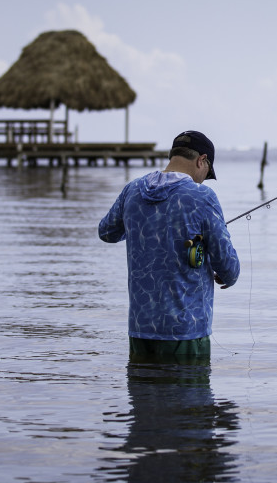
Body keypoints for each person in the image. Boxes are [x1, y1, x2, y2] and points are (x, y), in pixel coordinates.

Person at [99, 130, 241, 360]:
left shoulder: (132, 190)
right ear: (201, 160)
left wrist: (142, 226)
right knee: (190, 395)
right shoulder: (202, 197)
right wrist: (227, 275)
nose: (203, 179)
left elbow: (106, 232)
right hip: (187, 332)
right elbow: (229, 268)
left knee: (143, 394)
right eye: (207, 172)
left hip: (140, 329)